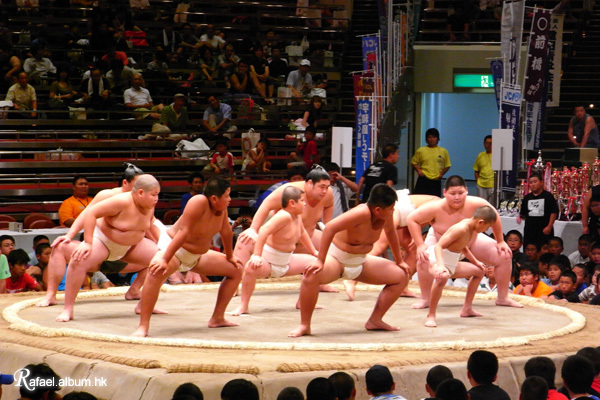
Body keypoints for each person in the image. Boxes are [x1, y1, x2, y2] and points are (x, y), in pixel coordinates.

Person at [289, 184, 410, 337]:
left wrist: (399, 260)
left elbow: (391, 232)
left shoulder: (386, 214)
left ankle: (375, 320)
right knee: (311, 275)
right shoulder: (360, 213)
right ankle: (305, 325)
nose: (393, 211)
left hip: (361, 261)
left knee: (401, 275)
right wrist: (320, 260)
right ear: (378, 209)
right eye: (391, 208)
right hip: (337, 259)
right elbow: (330, 228)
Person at [133, 178, 243, 337]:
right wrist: (164, 258)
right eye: (226, 196)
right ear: (214, 198)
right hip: (175, 249)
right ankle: (143, 326)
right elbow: (183, 232)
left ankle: (217, 318)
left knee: (236, 269)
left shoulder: (222, 209)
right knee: (155, 272)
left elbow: (226, 232)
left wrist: (230, 256)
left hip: (197, 256)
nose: (230, 199)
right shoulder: (198, 202)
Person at [37, 164, 148, 308]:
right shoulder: (107, 195)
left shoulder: (144, 199)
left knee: (159, 256)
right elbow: (87, 214)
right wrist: (70, 235)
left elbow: (150, 225)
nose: (140, 188)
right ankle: (51, 295)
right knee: (59, 247)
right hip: (99, 248)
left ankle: (134, 290)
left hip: (125, 255)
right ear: (125, 183)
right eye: (137, 184)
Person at [54, 175, 162, 322]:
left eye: (158, 195)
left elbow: (150, 226)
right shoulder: (121, 201)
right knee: (78, 259)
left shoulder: (149, 205)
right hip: (104, 241)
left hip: (132, 246)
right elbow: (91, 213)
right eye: (154, 195)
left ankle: (144, 305)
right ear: (141, 193)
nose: (156, 198)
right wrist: (87, 242)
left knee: (164, 260)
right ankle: (68, 309)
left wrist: (163, 245)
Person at [406, 175, 522, 309]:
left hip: (470, 241)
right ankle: (426, 299)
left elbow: (493, 215)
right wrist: (420, 244)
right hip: (441, 242)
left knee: (504, 254)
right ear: (444, 193)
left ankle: (503, 298)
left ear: (467, 191)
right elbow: (412, 219)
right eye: (452, 193)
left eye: (460, 193)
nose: (457, 197)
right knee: (423, 258)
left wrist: (500, 241)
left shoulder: (476, 203)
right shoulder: (435, 207)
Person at [230, 186, 318, 315]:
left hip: (287, 261)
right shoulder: (283, 216)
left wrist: (314, 252)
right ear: (292, 203)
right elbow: (264, 231)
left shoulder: (296, 217)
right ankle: (243, 306)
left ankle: (303, 302)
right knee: (250, 267)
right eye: (302, 201)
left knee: (315, 263)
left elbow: (302, 233)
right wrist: (257, 255)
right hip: (269, 262)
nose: (305, 204)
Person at [235, 166, 333, 268]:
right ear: (310, 183)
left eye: (327, 187)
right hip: (275, 247)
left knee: (330, 245)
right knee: (245, 240)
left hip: (304, 243)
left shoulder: (327, 194)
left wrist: (326, 226)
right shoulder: (290, 192)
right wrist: (253, 229)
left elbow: (303, 231)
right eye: (322, 187)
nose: (325, 191)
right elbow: (267, 204)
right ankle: (238, 276)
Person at [422, 205, 496, 327]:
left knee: (479, 271)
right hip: (436, 259)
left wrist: (476, 262)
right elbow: (438, 246)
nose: (486, 230)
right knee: (443, 277)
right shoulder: (461, 228)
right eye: (487, 227)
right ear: (480, 222)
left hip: (451, 262)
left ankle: (467, 309)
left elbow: (463, 246)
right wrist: (440, 266)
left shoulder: (470, 228)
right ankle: (431, 315)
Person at [518, 172, 559, 248]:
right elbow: (523, 213)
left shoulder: (548, 196)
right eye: (530, 182)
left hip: (544, 230)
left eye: (535, 182)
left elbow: (553, 212)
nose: (533, 184)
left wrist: (549, 226)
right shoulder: (527, 198)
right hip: (530, 231)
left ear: (541, 182)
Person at [411, 128, 451, 197]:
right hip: (423, 179)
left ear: (438, 139)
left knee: (435, 201)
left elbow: (447, 165)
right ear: (426, 139)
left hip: (436, 180)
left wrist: (441, 174)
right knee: (419, 199)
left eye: (434, 137)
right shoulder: (421, 150)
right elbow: (413, 162)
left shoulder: (443, 151)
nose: (432, 139)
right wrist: (418, 170)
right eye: (430, 137)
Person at [473, 135, 494, 202]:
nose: (489, 145)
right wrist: (477, 181)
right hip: (481, 185)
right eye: (487, 143)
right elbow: (476, 170)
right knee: (481, 205)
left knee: (491, 206)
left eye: (491, 143)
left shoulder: (497, 155)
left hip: (492, 185)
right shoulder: (480, 155)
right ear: (484, 144)